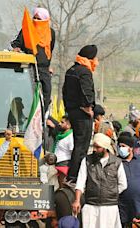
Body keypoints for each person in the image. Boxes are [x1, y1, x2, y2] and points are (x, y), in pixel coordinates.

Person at [72, 133, 127, 228]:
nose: (94, 149)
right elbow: (80, 182)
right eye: (94, 146)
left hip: (110, 208)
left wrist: (110, 193)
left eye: (98, 147)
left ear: (105, 148)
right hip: (91, 206)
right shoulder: (87, 161)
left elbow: (123, 185)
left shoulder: (116, 162)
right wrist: (77, 200)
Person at [63, 45, 98, 182]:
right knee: (82, 146)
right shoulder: (84, 72)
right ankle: (75, 176)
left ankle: (72, 175)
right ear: (90, 58)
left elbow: (64, 91)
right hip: (82, 113)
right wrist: (88, 107)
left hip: (72, 111)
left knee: (78, 144)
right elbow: (86, 91)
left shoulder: (70, 70)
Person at [10, 7, 55, 110]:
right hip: (29, 67)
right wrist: (16, 49)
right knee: (28, 95)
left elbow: (50, 49)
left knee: (46, 94)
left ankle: (43, 117)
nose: (35, 21)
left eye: (39, 19)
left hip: (44, 68)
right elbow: (17, 43)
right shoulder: (27, 30)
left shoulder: (51, 33)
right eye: (34, 18)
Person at [117, 135, 140, 227]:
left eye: (123, 146)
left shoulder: (138, 161)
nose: (120, 148)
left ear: (130, 148)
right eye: (119, 146)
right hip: (123, 206)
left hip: (138, 204)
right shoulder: (116, 162)